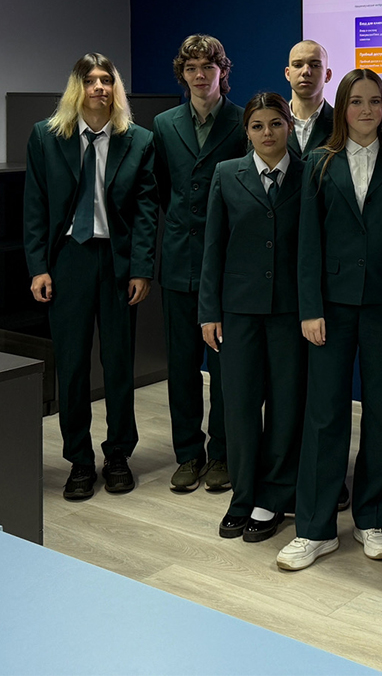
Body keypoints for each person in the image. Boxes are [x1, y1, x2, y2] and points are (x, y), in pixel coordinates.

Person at [276, 69, 382, 571]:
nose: (365, 110)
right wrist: (310, 308)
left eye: (375, 101)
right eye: (356, 101)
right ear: (343, 107)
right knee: (324, 414)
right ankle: (315, 529)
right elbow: (306, 242)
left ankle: (372, 517)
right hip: (330, 310)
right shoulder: (318, 161)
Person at [23, 53, 159, 500]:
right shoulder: (46, 136)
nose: (99, 86)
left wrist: (141, 268)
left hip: (117, 262)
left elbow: (145, 211)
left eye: (106, 79)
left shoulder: (138, 140)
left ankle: (118, 455)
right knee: (73, 364)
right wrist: (39, 267)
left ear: (116, 88)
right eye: (90, 79)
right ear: (76, 87)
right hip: (68, 260)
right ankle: (79, 461)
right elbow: (35, 206)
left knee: (118, 363)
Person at [198, 92, 306, 543]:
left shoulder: (308, 172)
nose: (268, 133)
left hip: (290, 312)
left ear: (289, 126)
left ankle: (275, 495)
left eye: (276, 124)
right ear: (247, 132)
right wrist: (209, 312)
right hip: (237, 311)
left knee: (285, 405)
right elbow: (213, 247)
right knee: (239, 406)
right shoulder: (227, 174)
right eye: (258, 126)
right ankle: (243, 496)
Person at [153, 34, 245, 493]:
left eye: (208, 66)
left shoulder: (243, 120)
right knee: (183, 365)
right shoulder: (164, 124)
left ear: (221, 72)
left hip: (228, 262)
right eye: (191, 68)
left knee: (226, 368)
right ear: (182, 74)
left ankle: (223, 453)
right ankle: (188, 454)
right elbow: (160, 189)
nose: (199, 74)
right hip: (179, 261)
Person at [286, 40, 334, 162]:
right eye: (298, 65)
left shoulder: (342, 123)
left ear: (327, 75)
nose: (306, 71)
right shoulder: (272, 124)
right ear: (288, 74)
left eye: (315, 65)